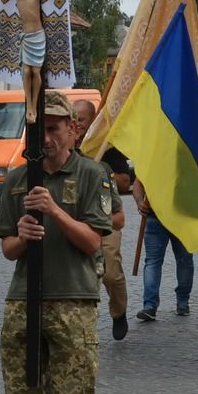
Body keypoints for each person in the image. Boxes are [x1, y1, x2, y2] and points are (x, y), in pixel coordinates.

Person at [0, 89, 115, 394]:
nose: (45, 137)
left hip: (73, 300)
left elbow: (92, 242)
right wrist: (23, 234)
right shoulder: (17, 179)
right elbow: (8, 249)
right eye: (38, 128)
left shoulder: (91, 174)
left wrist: (54, 212)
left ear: (73, 129)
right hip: (23, 301)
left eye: (53, 127)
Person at [74, 98, 131, 341]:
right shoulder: (66, 146)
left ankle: (119, 312)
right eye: (73, 119)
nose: (76, 124)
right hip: (76, 219)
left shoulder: (107, 146)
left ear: (92, 120)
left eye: (81, 119)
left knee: (111, 274)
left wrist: (99, 170)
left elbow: (125, 181)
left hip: (106, 217)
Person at [132, 175, 194, 321]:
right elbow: (138, 183)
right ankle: (180, 303)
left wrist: (140, 201)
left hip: (173, 217)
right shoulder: (185, 157)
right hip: (173, 216)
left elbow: (137, 184)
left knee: (155, 262)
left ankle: (151, 305)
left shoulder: (153, 156)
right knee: (183, 261)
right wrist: (140, 202)